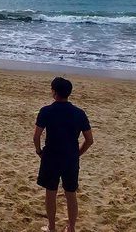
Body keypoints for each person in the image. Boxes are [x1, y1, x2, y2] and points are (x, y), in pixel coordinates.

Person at [34, 77, 94, 232]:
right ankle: (71, 227)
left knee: (50, 192)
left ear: (54, 92)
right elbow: (89, 140)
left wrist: (39, 151)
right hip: (70, 158)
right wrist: (78, 153)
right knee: (70, 193)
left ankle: (51, 227)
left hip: (51, 156)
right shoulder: (79, 113)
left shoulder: (46, 111)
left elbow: (36, 136)